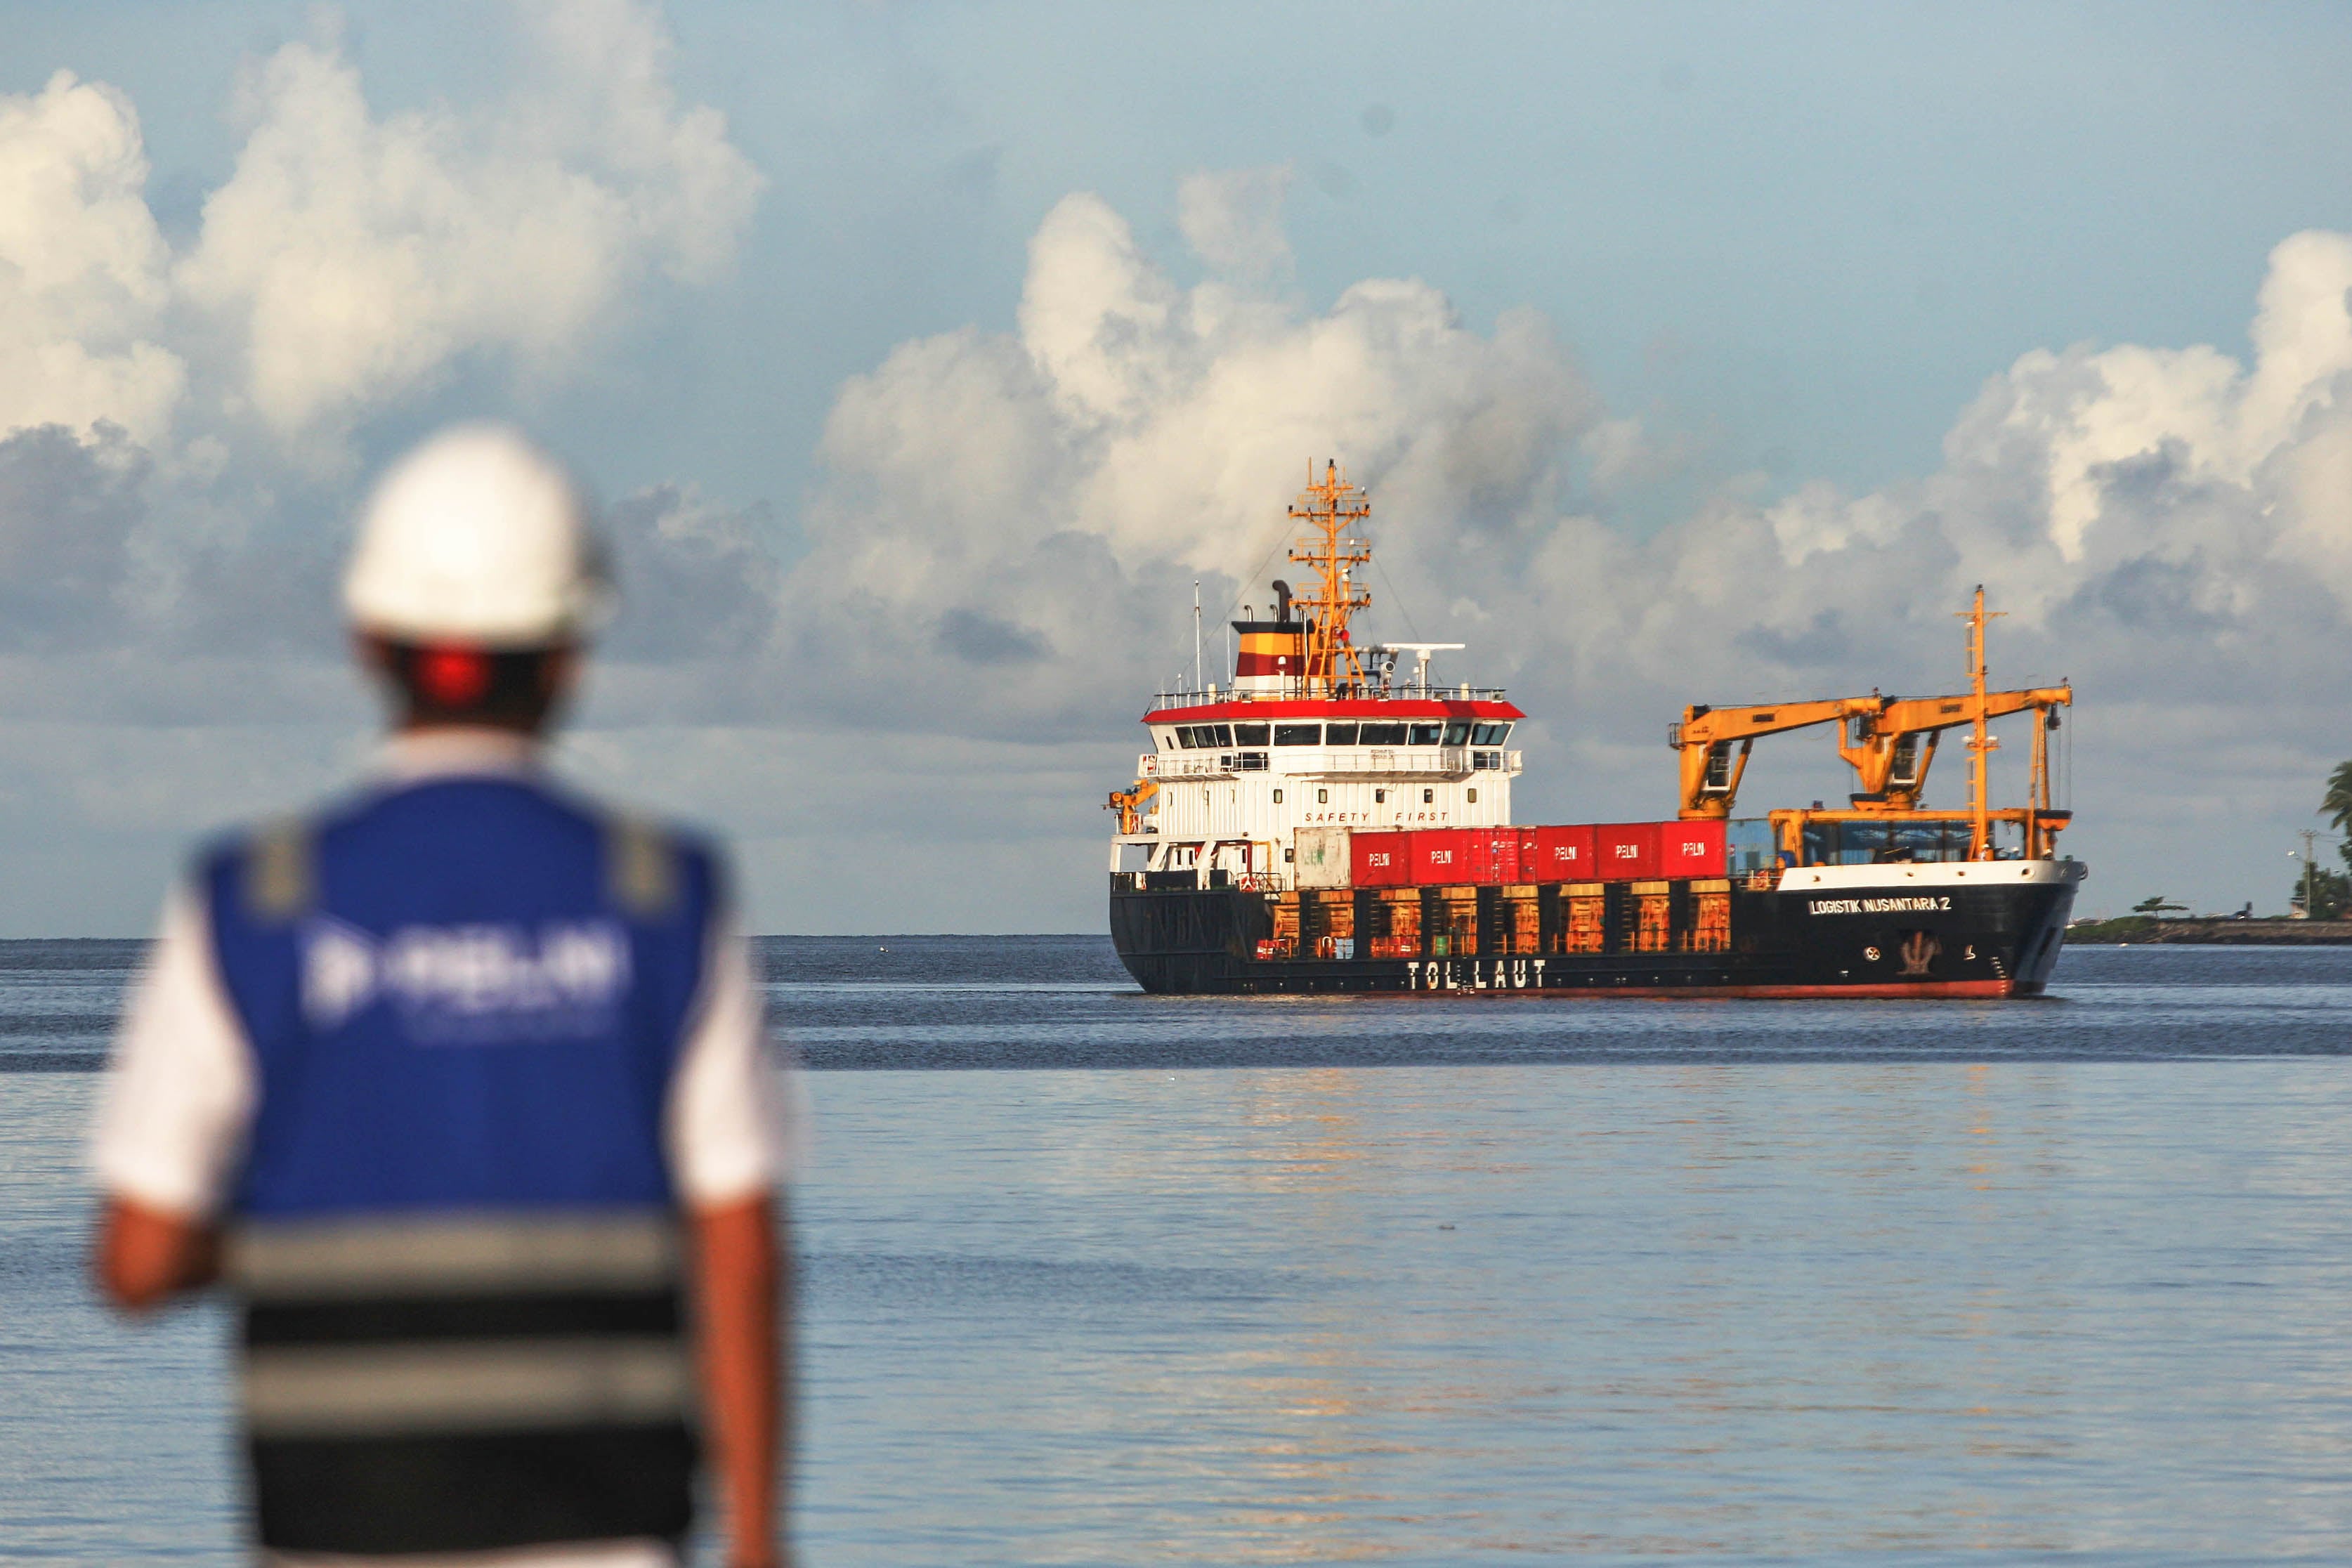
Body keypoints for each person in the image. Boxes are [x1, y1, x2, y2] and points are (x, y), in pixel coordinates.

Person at [87, 425, 795, 1567]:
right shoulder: (662, 896)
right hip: (605, 1533)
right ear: (570, 653)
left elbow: (135, 1262)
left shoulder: (253, 901)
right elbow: (742, 1249)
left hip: (340, 1530)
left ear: (370, 642)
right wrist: (758, 1541)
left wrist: (298, 1226)